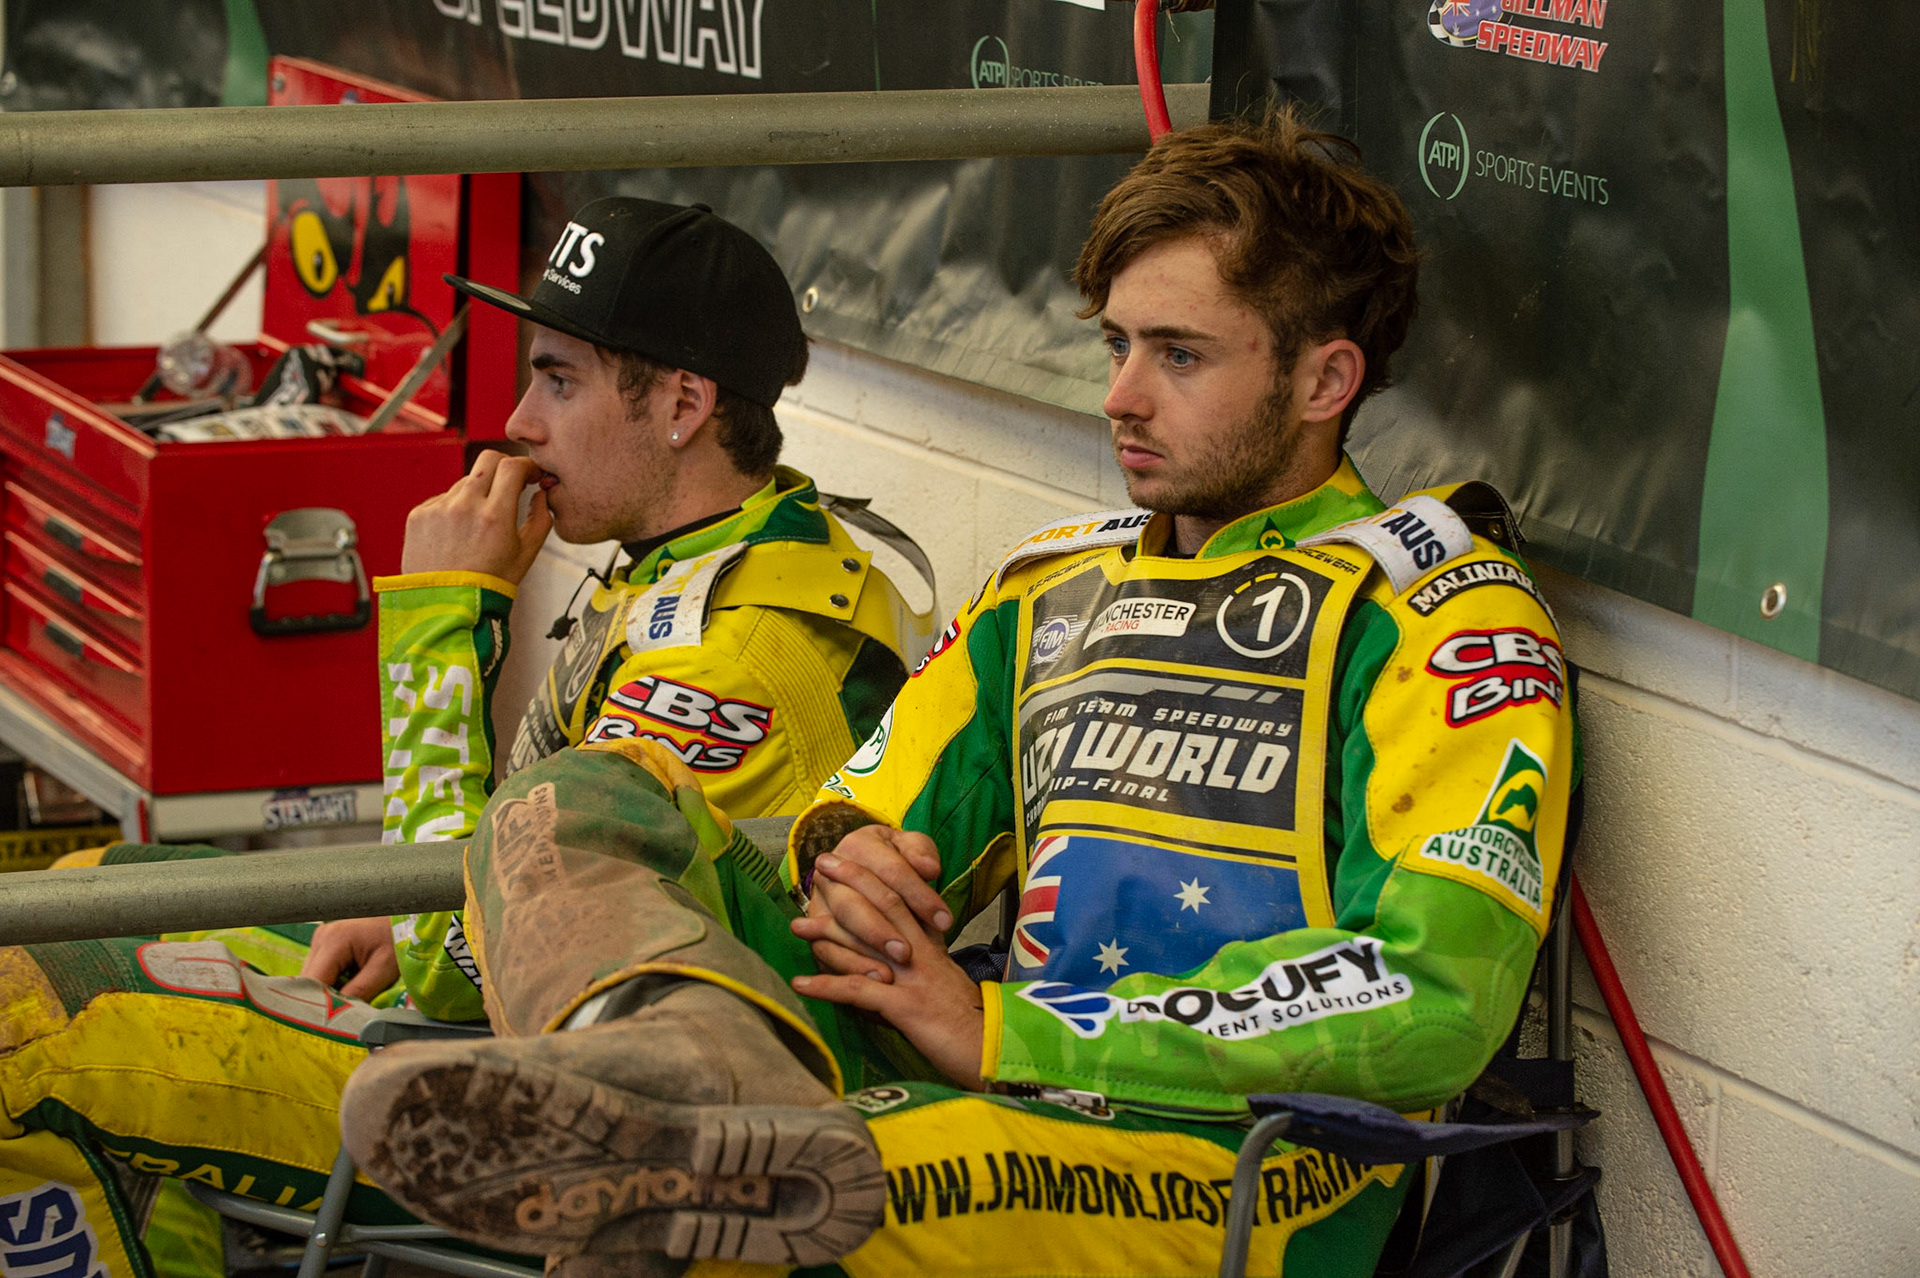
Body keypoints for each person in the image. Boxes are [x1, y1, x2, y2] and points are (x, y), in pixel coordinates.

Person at [337, 111, 1579, 1278]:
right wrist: (855, 866)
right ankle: (671, 1059)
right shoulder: (1048, 587)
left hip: (1241, 1167)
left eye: (1179, 355)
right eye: (1116, 344)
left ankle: (670, 1118)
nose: (1119, 396)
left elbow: (1436, 1001)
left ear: (1324, 383)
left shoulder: (1445, 612)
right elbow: (857, 828)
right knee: (589, 800)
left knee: (733, 1197)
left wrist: (1009, 1034)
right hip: (977, 1094)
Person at [0, 197, 930, 1278]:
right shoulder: (706, 554)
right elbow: (499, 881)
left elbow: (463, 971)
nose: (519, 420)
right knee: (89, 884)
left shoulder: (743, 658)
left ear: (683, 404)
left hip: (523, 1106)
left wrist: (444, 613)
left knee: (24, 1039)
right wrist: (405, 905)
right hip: (485, 1011)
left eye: (559, 379)